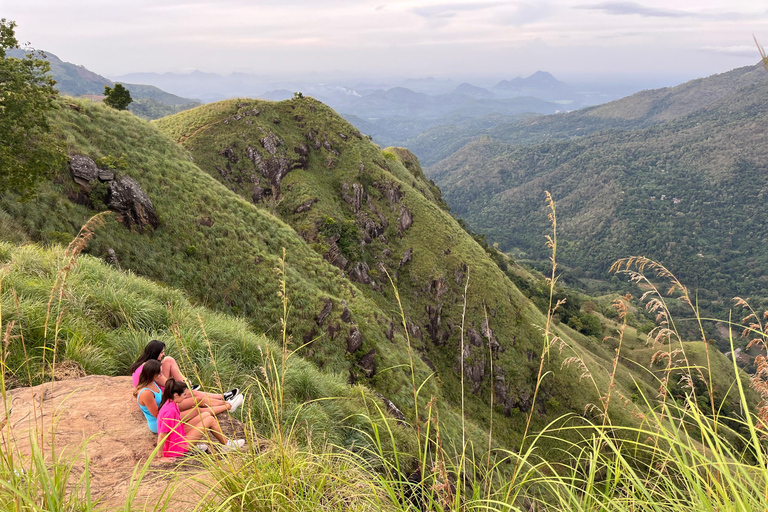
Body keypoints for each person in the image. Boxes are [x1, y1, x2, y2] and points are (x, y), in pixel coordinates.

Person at [130, 340, 243, 413]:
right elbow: (169, 386)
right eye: (161, 352)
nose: (163, 354)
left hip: (153, 392)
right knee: (193, 396)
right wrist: (182, 387)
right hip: (158, 399)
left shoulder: (142, 364)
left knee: (169, 360)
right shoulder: (152, 369)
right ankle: (226, 402)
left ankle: (223, 398)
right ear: (154, 353)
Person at [135, 360, 236, 433]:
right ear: (152, 374)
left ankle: (227, 403)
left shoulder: (153, 383)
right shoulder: (146, 393)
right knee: (197, 411)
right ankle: (228, 406)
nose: (162, 374)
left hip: (167, 410)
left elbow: (163, 399)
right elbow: (157, 414)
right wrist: (176, 408)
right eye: (160, 373)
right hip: (161, 422)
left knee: (197, 400)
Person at [156, 379, 246, 457]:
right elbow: (162, 435)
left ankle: (226, 443)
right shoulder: (170, 412)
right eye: (184, 395)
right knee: (210, 420)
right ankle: (227, 445)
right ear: (176, 395)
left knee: (206, 415)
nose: (185, 397)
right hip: (176, 447)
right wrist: (160, 456)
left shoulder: (170, 402)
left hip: (177, 436)